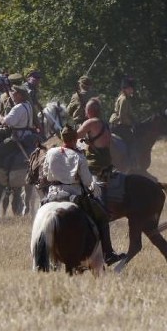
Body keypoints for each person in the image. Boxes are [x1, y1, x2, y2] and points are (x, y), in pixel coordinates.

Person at [41, 124, 124, 265]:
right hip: (74, 196)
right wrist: (95, 190)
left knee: (41, 217)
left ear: (62, 139)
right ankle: (108, 254)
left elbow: (45, 174)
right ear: (75, 139)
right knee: (102, 217)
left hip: (52, 195)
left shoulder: (51, 152)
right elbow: (87, 182)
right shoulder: (79, 156)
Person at [0, 85, 36, 179]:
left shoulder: (18, 108)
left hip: (18, 137)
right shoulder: (28, 104)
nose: (11, 94)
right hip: (28, 135)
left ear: (20, 95)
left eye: (13, 92)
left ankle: (1, 179)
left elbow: (5, 122)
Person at [76, 98, 113, 179]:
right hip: (107, 160)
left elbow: (75, 136)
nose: (85, 113)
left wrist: (63, 131)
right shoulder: (105, 123)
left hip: (95, 163)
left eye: (86, 110)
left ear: (89, 110)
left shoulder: (90, 122)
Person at [110, 77, 138, 154]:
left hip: (120, 124)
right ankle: (130, 161)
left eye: (132, 88)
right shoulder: (124, 99)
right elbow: (122, 116)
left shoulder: (125, 98)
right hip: (119, 125)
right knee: (132, 140)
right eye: (129, 89)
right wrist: (131, 124)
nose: (131, 90)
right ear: (125, 89)